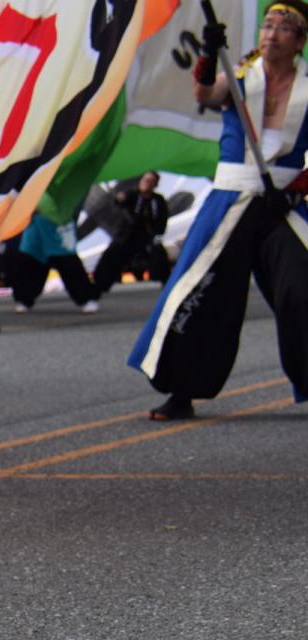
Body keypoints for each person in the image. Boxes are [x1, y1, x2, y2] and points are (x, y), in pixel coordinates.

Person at [129, 2, 308, 421]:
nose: (271, 34)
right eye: (267, 25)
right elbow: (205, 93)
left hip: (282, 205)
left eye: (284, 28)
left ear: (300, 42)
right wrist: (209, 55)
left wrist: (298, 186)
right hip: (232, 200)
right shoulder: (240, 76)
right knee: (205, 291)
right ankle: (182, 391)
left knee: (301, 288)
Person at [8, 212, 102, 314]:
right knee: (30, 258)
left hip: (58, 217)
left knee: (66, 260)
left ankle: (86, 298)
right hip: (35, 219)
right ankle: (24, 299)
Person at [93, 171, 171, 293]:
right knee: (113, 255)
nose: (147, 183)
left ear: (155, 184)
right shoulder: (132, 195)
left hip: (147, 236)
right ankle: (101, 283)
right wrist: (120, 199)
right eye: (146, 180)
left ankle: (165, 283)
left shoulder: (158, 200)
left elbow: (162, 218)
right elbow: (119, 203)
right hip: (127, 235)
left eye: (151, 181)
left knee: (159, 255)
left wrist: (158, 233)